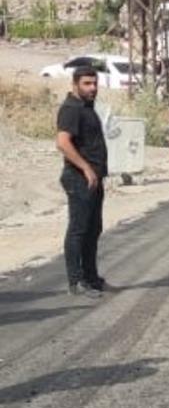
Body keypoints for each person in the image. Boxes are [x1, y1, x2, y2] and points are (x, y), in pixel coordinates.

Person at [55, 64, 108, 297]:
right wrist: (86, 168)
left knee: (93, 228)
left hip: (93, 179)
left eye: (94, 83)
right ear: (75, 84)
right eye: (87, 83)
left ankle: (91, 277)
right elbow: (63, 143)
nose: (92, 88)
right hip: (78, 178)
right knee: (79, 229)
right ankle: (76, 281)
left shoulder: (87, 107)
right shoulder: (71, 108)